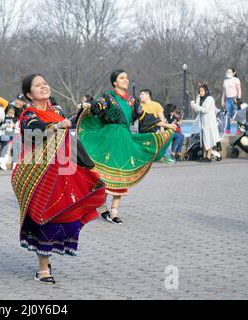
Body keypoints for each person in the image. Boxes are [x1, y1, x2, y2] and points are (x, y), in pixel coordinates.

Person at [12, 74, 106, 284]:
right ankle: (43, 268)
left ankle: (48, 258)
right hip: (40, 175)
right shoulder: (28, 114)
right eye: (37, 85)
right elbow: (33, 131)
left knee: (63, 215)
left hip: (64, 172)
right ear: (29, 94)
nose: (43, 86)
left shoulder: (57, 111)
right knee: (44, 216)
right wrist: (55, 127)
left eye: (44, 83)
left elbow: (69, 130)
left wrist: (83, 111)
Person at [77, 70, 176, 224]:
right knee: (103, 175)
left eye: (127, 77)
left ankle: (115, 211)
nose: (126, 80)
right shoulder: (108, 97)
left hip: (124, 139)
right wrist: (87, 105)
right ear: (114, 82)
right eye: (121, 78)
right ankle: (103, 207)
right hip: (108, 138)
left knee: (121, 174)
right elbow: (97, 107)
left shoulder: (132, 101)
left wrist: (167, 124)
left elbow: (146, 118)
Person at [191, 84, 222, 162]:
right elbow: (197, 109)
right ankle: (204, 155)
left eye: (202, 90)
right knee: (205, 140)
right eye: (199, 91)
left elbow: (205, 110)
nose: (200, 92)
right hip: (203, 123)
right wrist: (197, 100)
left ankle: (208, 157)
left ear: (206, 91)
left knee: (210, 139)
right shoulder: (201, 99)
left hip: (210, 122)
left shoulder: (210, 99)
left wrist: (195, 106)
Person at [0, 105, 21, 170]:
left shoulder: (16, 119)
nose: (11, 113)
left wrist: (14, 126)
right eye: (9, 112)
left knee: (17, 142)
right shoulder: (4, 118)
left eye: (12, 112)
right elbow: (0, 127)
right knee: (6, 139)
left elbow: (18, 129)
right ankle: (2, 159)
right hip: (5, 133)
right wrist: (6, 125)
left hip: (13, 134)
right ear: (7, 111)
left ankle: (15, 162)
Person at [222, 68, 242, 135]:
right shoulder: (225, 81)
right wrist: (222, 100)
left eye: (230, 72)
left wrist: (238, 99)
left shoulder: (236, 80)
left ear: (234, 73)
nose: (228, 72)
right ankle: (227, 129)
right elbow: (224, 92)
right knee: (228, 115)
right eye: (227, 71)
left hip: (235, 99)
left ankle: (239, 129)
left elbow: (239, 90)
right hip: (228, 100)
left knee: (237, 115)